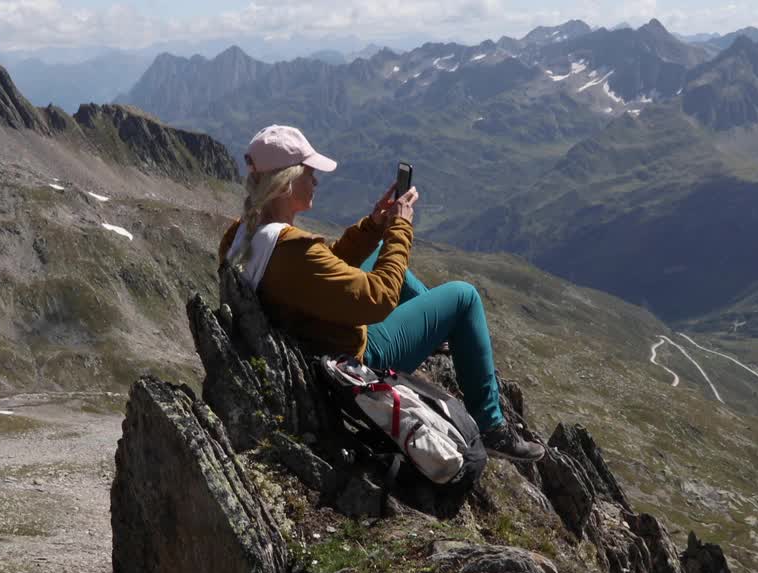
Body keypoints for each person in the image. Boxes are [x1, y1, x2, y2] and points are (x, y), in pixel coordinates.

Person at [218, 125, 546, 462]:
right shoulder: (293, 252)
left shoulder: (242, 233)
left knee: (377, 258)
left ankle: (437, 330)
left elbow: (320, 270)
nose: (315, 180)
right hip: (353, 355)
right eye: (309, 172)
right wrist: (400, 227)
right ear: (285, 183)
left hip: (313, 327)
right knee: (464, 297)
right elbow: (380, 298)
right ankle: (492, 428)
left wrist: (374, 225)